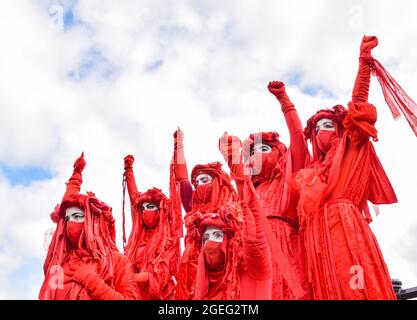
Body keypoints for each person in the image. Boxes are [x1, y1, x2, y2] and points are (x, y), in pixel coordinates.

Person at [293, 36, 398, 299]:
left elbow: (358, 103)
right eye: (316, 128)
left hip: (344, 228)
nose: (320, 132)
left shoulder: (350, 147)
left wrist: (364, 64)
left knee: (353, 288)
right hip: (318, 236)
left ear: (340, 128)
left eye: (327, 125)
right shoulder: (313, 172)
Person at [219, 82, 310, 299]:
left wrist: (285, 102)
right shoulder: (250, 189)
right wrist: (233, 160)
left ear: (280, 153)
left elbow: (298, 139)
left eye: (264, 148)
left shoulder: (288, 180)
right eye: (251, 152)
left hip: (286, 244)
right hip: (254, 249)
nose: (256, 155)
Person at [39, 153, 138, 300]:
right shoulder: (60, 262)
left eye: (78, 216)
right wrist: (76, 175)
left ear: (94, 223)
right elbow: (67, 200)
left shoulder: (117, 261)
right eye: (67, 218)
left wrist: (92, 281)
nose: (70, 223)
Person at [172, 128, 238, 299]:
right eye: (197, 182)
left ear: (217, 182)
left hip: (217, 275)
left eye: (205, 180)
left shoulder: (230, 209)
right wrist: (178, 146)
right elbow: (182, 180)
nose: (199, 185)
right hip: (189, 272)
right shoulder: (193, 208)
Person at [123, 154, 182, 299]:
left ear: (160, 209)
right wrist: (129, 171)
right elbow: (134, 199)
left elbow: (163, 270)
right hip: (134, 294)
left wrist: (136, 278)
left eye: (150, 207)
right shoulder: (138, 235)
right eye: (142, 208)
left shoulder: (169, 237)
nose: (145, 212)